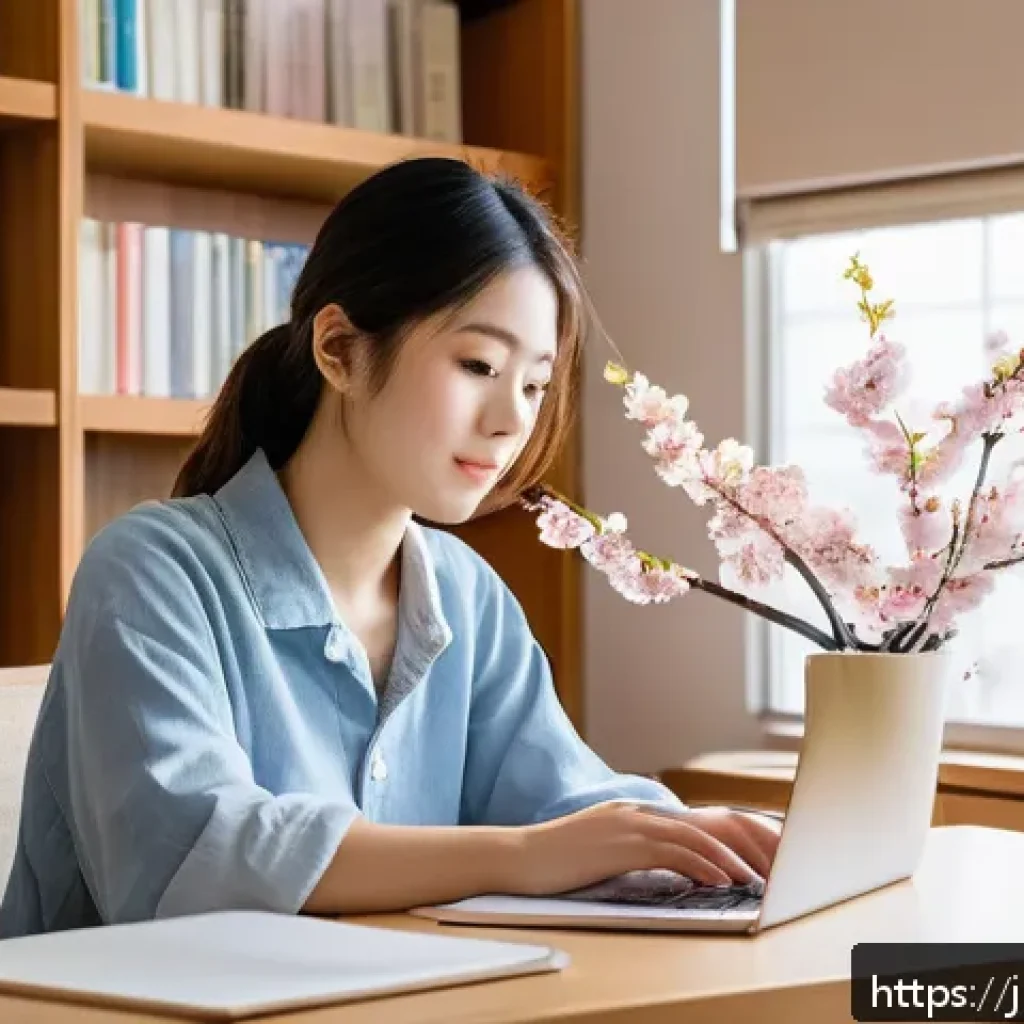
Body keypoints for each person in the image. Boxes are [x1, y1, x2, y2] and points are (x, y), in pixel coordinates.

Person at [0, 157, 779, 937]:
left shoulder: (464, 594)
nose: (512, 420)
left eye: (535, 384)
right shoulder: (149, 572)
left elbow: (565, 802)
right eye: (478, 365)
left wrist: (705, 838)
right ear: (338, 348)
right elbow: (199, 854)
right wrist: (521, 855)